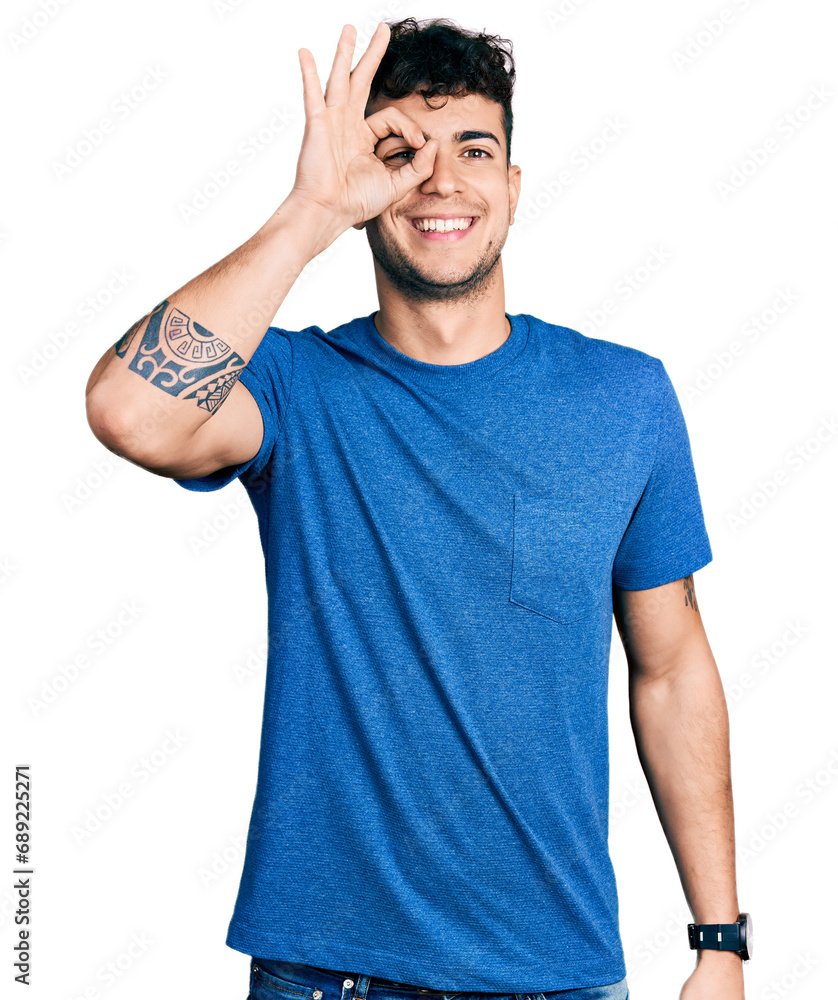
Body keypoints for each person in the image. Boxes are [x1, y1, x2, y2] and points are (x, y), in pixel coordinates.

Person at [85, 17, 749, 1000]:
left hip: (551, 973)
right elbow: (128, 409)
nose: (439, 180)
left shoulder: (623, 398)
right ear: (365, 182)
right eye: (400, 151)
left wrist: (719, 940)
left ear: (514, 189)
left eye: (473, 149)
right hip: (326, 975)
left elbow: (671, 663)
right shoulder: (292, 387)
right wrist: (308, 212)